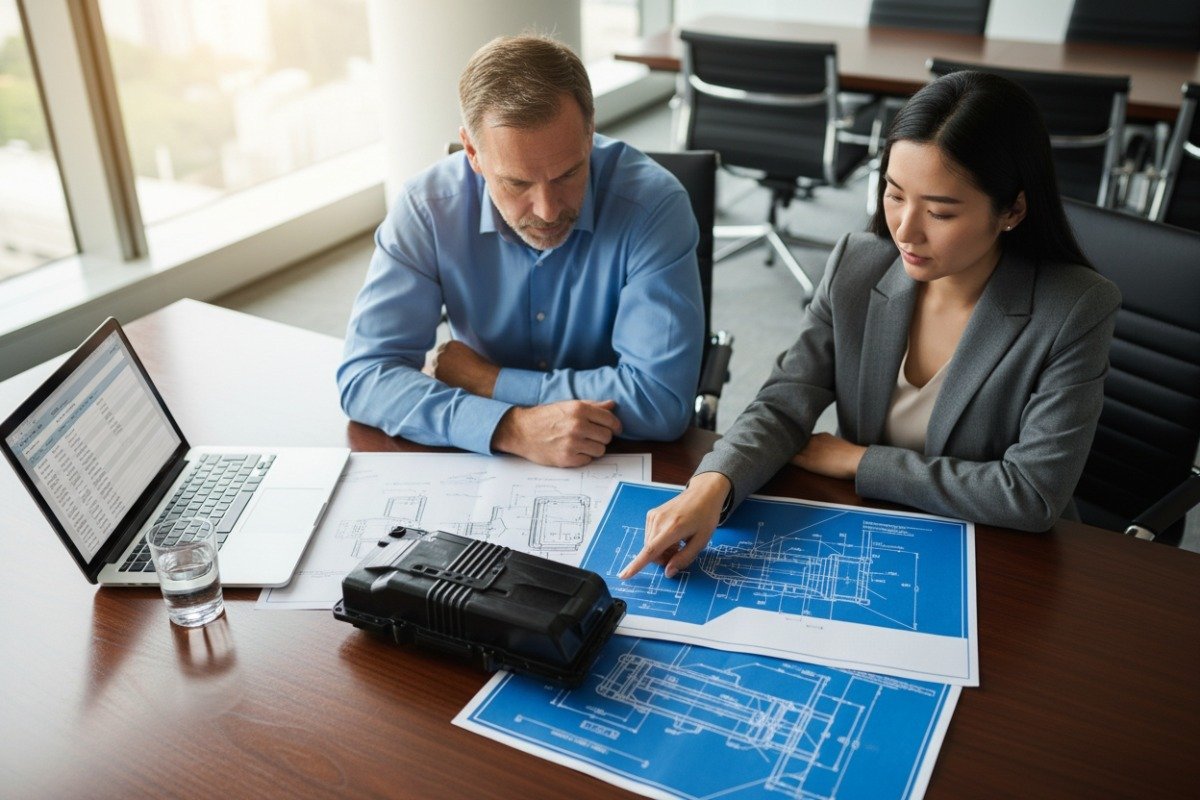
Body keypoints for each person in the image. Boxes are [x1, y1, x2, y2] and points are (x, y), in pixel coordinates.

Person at [621, 70, 1122, 580]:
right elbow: (784, 403)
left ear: (1012, 209)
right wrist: (712, 485)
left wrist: (858, 462)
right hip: (863, 529)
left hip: (996, 560)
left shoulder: (1075, 309)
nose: (905, 230)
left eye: (941, 213)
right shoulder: (858, 264)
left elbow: (1031, 495)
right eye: (895, 193)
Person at [337, 35, 704, 468]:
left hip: (616, 459)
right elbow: (365, 378)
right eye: (517, 183)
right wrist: (509, 427)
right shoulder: (428, 208)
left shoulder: (653, 206)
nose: (547, 211)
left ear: (589, 134)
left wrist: (488, 381)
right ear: (473, 153)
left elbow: (658, 401)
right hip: (483, 464)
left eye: (568, 174)